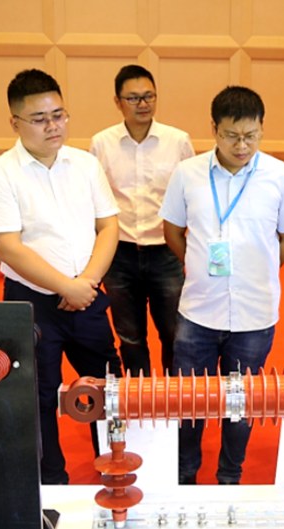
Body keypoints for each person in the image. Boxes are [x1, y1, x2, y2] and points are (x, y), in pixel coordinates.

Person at [0, 69, 122, 485]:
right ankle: (51, 484)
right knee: (37, 395)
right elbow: (10, 247)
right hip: (32, 302)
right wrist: (66, 286)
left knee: (108, 389)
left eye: (59, 115)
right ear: (15, 123)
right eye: (39, 119)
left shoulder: (85, 164)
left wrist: (87, 282)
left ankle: (116, 470)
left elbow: (108, 226)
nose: (53, 126)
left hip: (87, 295)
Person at [160, 85, 284, 485]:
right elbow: (173, 231)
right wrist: (198, 266)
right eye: (231, 136)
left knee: (240, 405)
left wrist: (258, 270)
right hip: (198, 311)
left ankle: (230, 477)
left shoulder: (280, 176)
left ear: (261, 128)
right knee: (189, 403)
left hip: (254, 314)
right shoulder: (187, 174)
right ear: (214, 129)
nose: (242, 146)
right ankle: (184, 476)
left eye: (251, 136)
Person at [90, 65, 194, 375]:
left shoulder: (177, 141)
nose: (143, 104)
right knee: (130, 337)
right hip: (119, 254)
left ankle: (174, 397)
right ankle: (139, 395)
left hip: (166, 251)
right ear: (117, 101)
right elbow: (93, 199)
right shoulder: (101, 143)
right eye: (133, 98)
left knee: (174, 333)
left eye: (149, 96)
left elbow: (192, 194)